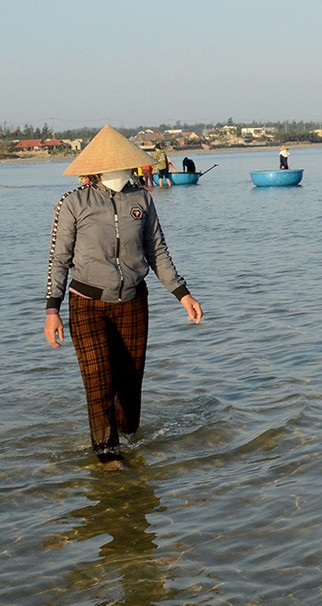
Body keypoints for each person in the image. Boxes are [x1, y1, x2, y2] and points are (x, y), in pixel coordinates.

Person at [44, 125, 203, 469]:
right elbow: (58, 257)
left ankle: (129, 439)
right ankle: (106, 453)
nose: (120, 172)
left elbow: (156, 251)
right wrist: (52, 309)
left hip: (133, 300)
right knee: (99, 378)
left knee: (130, 382)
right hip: (87, 303)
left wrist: (182, 293)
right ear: (98, 168)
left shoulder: (142, 198)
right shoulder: (73, 202)